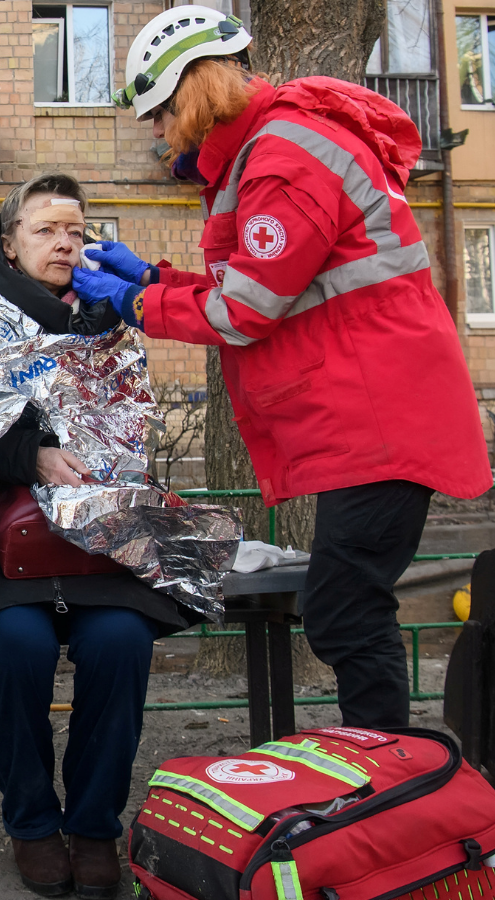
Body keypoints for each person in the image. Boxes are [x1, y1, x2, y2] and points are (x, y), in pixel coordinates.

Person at [72, 6, 492, 730]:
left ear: (191, 95)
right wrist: (153, 279)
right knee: (348, 604)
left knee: (345, 608)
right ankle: (386, 774)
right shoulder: (268, 152)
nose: (158, 134)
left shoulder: (283, 160)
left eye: (159, 115)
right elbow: (258, 287)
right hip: (374, 415)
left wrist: (136, 304)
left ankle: (392, 777)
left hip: (381, 423)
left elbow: (244, 313)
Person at [0, 172, 189, 900]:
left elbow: (134, 427)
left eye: (76, 231)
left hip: (97, 548)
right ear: (8, 240)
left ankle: (92, 826)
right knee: (14, 649)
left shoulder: (106, 319)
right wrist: (31, 454)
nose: (63, 242)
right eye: (46, 229)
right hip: (6, 549)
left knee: (120, 644)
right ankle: (30, 825)